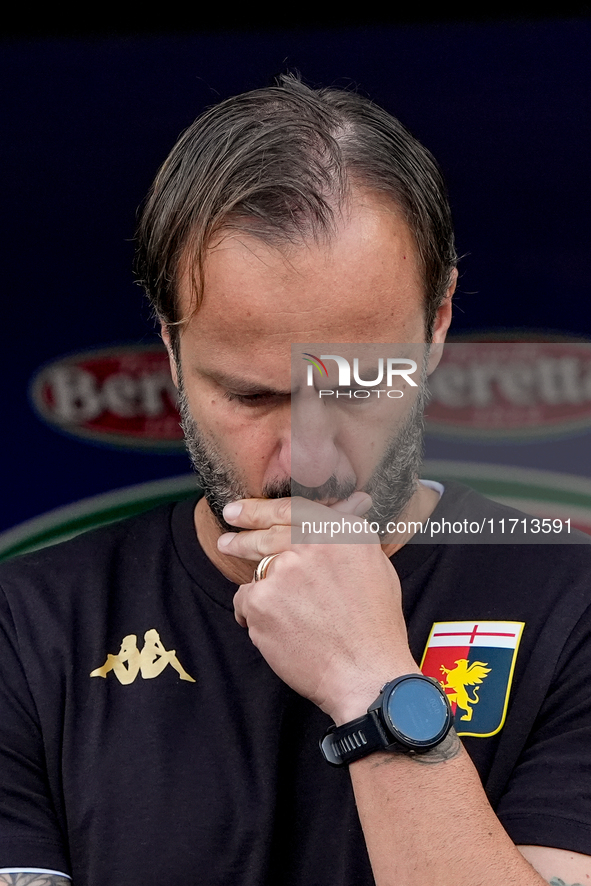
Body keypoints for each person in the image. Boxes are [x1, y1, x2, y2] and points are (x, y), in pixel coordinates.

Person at [1, 74, 591, 886]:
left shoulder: (574, 607)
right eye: (250, 395)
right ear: (170, 349)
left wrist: (373, 684)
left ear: (438, 323)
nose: (307, 457)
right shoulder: (29, 630)